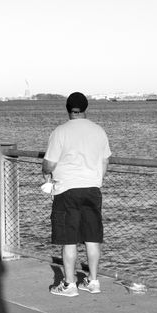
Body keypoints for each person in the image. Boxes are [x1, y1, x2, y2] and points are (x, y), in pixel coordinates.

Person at [42, 92, 111, 297]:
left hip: (66, 190)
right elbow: (105, 161)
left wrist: (45, 171)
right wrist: (97, 180)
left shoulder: (60, 132)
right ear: (85, 108)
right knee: (92, 237)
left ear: (68, 109)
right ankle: (93, 281)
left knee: (69, 239)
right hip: (92, 188)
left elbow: (50, 163)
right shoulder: (99, 131)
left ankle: (69, 284)